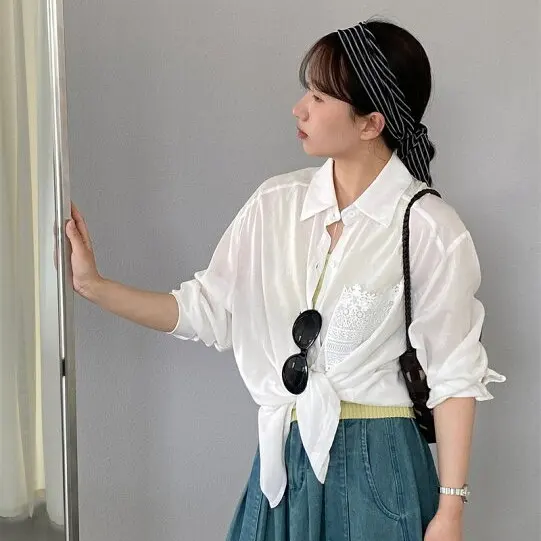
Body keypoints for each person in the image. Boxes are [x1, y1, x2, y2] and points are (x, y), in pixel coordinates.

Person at [66, 18, 506, 541]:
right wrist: (95, 286)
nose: (300, 109)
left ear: (371, 123)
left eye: (319, 97)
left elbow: (453, 376)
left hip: (380, 466)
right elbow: (208, 309)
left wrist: (450, 512)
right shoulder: (275, 204)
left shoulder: (431, 227)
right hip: (285, 463)